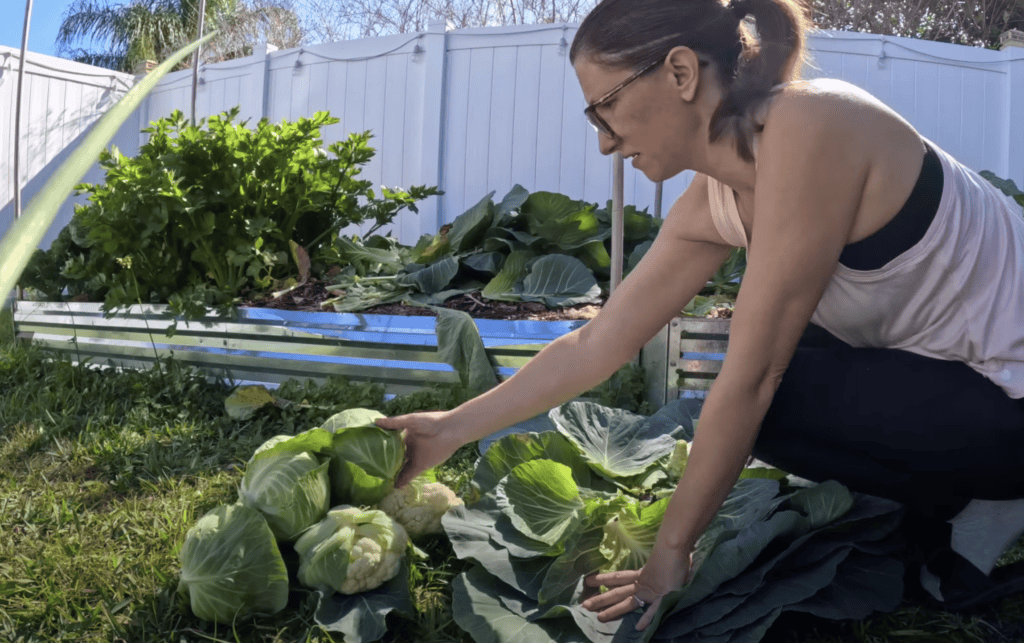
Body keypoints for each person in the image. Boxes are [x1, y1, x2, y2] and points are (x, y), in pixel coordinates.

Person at [376, 0, 1024, 630]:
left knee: (767, 387)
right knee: (772, 395)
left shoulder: (812, 127)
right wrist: (451, 427)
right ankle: (953, 497)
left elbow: (754, 375)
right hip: (959, 380)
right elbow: (599, 343)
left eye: (607, 108)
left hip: (1010, 399)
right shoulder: (713, 198)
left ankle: (992, 496)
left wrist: (668, 555)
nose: (604, 142)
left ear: (681, 73)